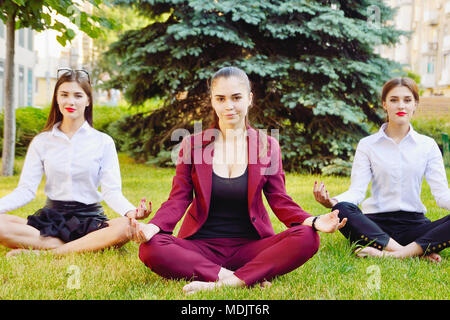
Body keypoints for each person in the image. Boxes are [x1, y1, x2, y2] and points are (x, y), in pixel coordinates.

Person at [129, 66, 347, 294]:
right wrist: (154, 227)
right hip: (200, 246)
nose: (228, 106)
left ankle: (225, 282)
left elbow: (279, 199)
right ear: (212, 101)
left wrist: (312, 221)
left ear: (250, 99)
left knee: (308, 238)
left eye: (236, 97)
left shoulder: (267, 145)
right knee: (150, 248)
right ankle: (236, 278)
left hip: (251, 248)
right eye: (220, 98)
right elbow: (179, 198)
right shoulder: (192, 145)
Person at [0, 68, 151, 257]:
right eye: (64, 94)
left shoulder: (103, 142)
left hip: (90, 221)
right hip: (51, 221)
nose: (70, 101)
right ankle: (84, 246)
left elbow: (111, 191)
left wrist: (130, 211)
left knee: (125, 227)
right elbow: (26, 190)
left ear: (88, 100)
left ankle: (47, 253)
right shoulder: (42, 141)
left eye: (78, 96)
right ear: (56, 98)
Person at [313, 77, 450, 262]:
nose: (401, 106)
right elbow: (357, 191)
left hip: (415, 226)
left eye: (407, 100)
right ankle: (416, 251)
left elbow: (442, 195)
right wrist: (332, 202)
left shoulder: (428, 145)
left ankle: (391, 254)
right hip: (374, 227)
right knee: (341, 209)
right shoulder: (367, 145)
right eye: (394, 100)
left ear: (415, 104)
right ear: (385, 104)